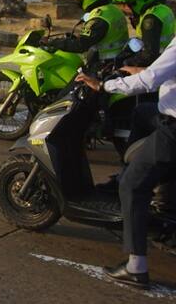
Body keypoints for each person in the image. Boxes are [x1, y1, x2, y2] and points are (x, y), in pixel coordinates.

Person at [75, 48, 176, 290]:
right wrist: (136, 71)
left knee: (133, 186)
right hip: (164, 114)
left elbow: (150, 80)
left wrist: (104, 86)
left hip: (173, 130)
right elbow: (160, 72)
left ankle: (135, 267)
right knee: (142, 112)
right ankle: (139, 176)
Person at [44, 0, 128, 64]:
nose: (77, 1)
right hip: (118, 58)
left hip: (104, 65)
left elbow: (80, 45)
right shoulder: (112, 9)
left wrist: (53, 42)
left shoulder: (98, 19)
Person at [109, 0, 175, 67]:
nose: (123, 9)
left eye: (125, 5)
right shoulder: (161, 9)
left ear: (139, 2)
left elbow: (149, 55)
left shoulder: (150, 20)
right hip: (167, 59)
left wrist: (127, 63)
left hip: (159, 65)